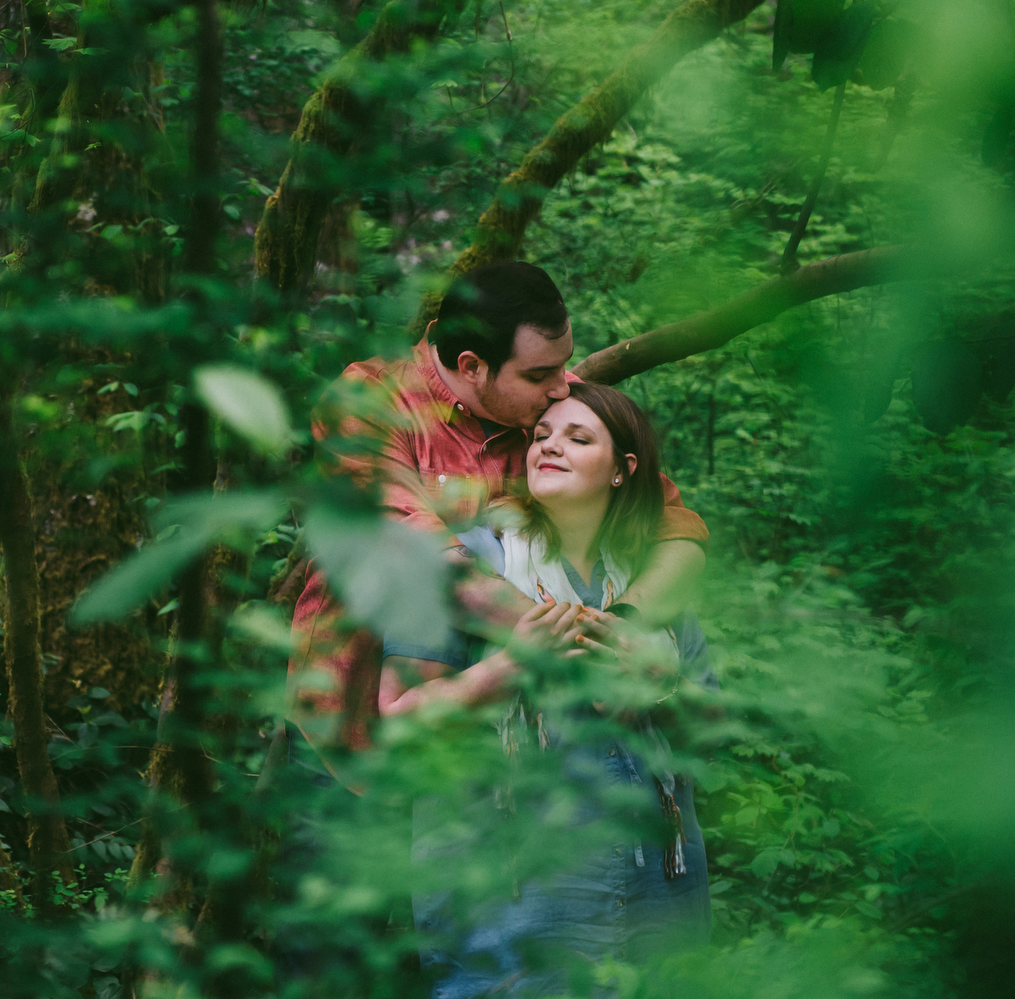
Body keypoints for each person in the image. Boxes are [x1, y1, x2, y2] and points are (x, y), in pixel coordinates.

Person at [380, 381, 715, 999]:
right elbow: (398, 727)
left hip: (658, 898)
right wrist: (502, 671)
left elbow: (711, 727)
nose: (550, 445)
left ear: (623, 470)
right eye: (542, 435)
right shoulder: (462, 564)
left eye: (578, 437)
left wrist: (661, 688)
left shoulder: (654, 587)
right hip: (513, 908)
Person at [286, 261, 709, 752]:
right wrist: (579, 645)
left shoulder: (552, 409)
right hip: (359, 717)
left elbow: (677, 529)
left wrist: (628, 620)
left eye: (563, 363)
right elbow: (425, 559)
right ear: (471, 366)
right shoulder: (370, 403)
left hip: (513, 743)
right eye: (540, 373)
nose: (562, 386)